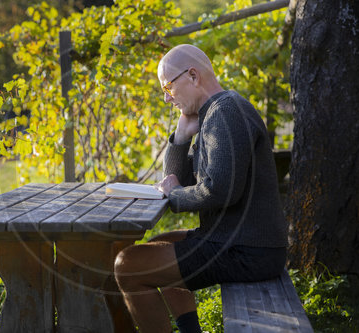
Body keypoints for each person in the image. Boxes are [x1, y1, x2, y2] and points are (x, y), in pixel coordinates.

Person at [114, 44, 288, 332]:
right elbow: (176, 177)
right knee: (161, 244)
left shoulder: (226, 113)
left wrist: (175, 196)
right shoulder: (213, 114)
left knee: (127, 265)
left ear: (193, 76)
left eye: (168, 86)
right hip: (234, 240)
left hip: (246, 250)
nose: (167, 98)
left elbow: (220, 190)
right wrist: (181, 137)